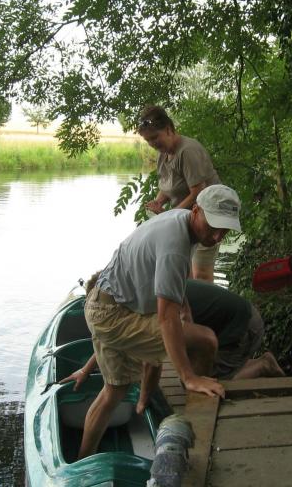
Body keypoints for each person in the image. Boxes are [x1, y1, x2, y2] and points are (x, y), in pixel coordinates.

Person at [68, 184, 242, 459]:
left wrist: (186, 311)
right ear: (196, 210)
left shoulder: (180, 220)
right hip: (113, 314)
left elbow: (174, 283)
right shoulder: (175, 243)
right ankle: (194, 422)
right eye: (213, 226)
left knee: (114, 392)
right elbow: (166, 317)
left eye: (225, 230)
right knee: (204, 340)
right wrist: (189, 377)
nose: (217, 236)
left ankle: (82, 458)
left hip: (104, 304)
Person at [137, 105, 222, 282]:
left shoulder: (188, 151)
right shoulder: (164, 153)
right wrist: (158, 202)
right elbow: (169, 186)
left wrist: (169, 215)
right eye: (148, 140)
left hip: (208, 218)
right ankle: (186, 300)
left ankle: (205, 300)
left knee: (201, 274)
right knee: (183, 271)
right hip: (187, 219)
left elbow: (198, 192)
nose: (152, 144)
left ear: (168, 129)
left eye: (155, 137)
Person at [184, 279, 286, 380]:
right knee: (196, 371)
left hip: (244, 326)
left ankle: (263, 367)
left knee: (209, 381)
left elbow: (204, 340)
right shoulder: (178, 287)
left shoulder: (174, 305)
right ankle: (262, 362)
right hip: (243, 318)